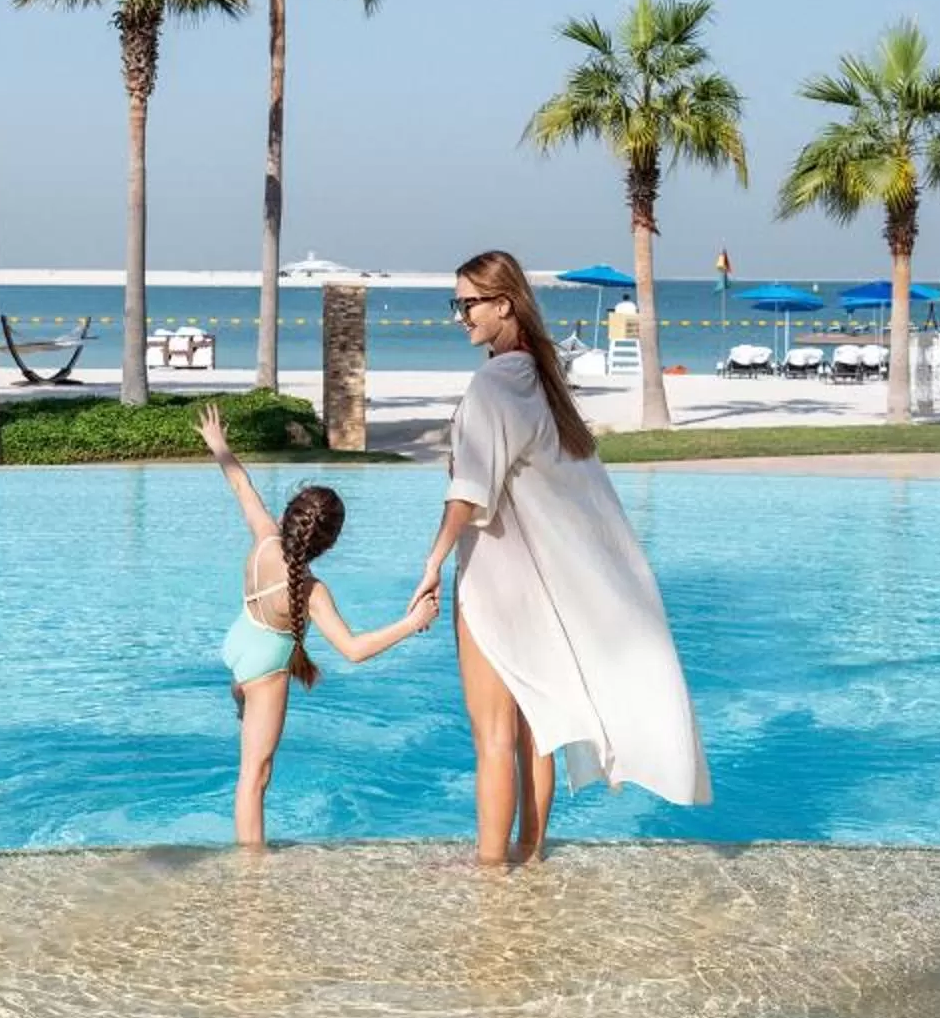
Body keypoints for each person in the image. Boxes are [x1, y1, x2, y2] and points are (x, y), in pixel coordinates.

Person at [411, 249, 710, 866]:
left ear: (504, 304)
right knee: (532, 733)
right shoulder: (542, 383)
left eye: (468, 304)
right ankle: (530, 854)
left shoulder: (495, 383)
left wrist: (433, 563)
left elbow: (467, 491)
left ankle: (491, 874)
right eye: (456, 304)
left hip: (494, 586)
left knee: (493, 737)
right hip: (536, 593)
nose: (459, 316)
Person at [197, 402, 438, 846]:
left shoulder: (264, 539)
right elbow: (354, 649)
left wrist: (220, 445)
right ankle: (250, 877)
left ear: (290, 518)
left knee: (250, 746)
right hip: (266, 667)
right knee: (255, 776)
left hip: (240, 640)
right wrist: (413, 621)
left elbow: (240, 484)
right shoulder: (311, 591)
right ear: (327, 543)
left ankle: (239, 694)